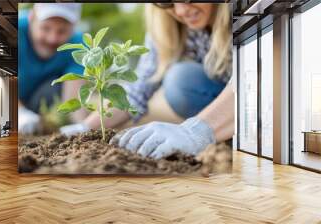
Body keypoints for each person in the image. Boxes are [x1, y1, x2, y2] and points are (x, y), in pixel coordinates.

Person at [61, 3, 234, 158]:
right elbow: (138, 89)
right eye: (167, 2)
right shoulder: (168, 25)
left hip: (254, 100)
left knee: (180, 78)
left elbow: (254, 80)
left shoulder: (246, 10)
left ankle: (225, 127)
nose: (180, 10)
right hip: (225, 100)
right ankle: (226, 131)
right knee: (180, 81)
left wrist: (195, 132)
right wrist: (85, 128)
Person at [18, 3, 87, 134]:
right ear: (32, 18)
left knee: (55, 86)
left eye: (62, 31)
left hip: (39, 102)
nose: (52, 39)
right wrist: (19, 113)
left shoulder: (78, 46)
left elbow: (74, 97)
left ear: (73, 27)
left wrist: (82, 128)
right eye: (45, 28)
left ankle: (40, 124)